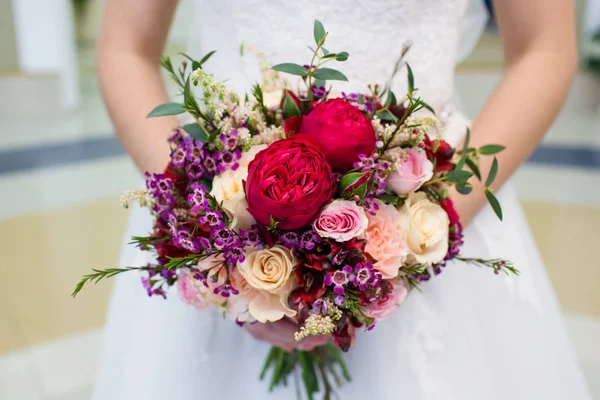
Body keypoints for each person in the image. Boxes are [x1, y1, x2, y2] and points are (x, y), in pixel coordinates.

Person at [92, 0, 592, 399]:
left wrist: (408, 240)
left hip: (438, 198)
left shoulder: (422, 223)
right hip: (222, 202)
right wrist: (211, 229)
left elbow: (544, 49)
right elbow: (125, 48)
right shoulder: (212, 220)